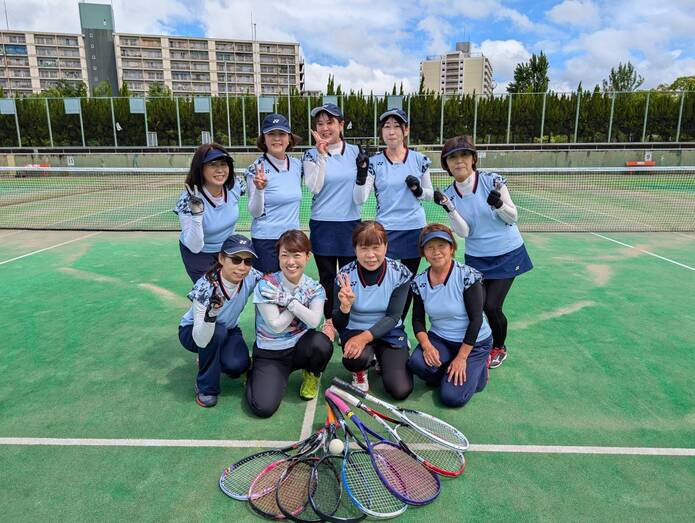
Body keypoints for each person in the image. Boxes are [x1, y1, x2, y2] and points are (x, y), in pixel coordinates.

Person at [433, 135, 533, 368]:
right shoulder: (449, 193)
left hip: (507, 253)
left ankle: (499, 347)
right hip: (477, 257)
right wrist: (449, 208)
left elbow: (512, 218)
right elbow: (465, 232)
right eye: (452, 157)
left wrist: (499, 205)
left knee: (491, 306)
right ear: (446, 164)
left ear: (473, 159)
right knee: (474, 306)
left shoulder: (493, 181)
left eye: (464, 155)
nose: (459, 161)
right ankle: (477, 344)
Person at [353, 108, 433, 318]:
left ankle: (398, 325)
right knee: (382, 281)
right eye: (387, 127)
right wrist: (361, 174)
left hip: (414, 229)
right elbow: (360, 198)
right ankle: (381, 324)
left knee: (407, 283)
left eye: (397, 126)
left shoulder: (420, 159)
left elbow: (429, 194)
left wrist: (418, 190)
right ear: (382, 132)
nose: (391, 131)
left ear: (406, 130)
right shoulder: (374, 163)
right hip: (386, 231)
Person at [246, 230, 333, 417]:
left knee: (322, 343)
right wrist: (297, 303)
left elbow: (313, 321)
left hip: (300, 348)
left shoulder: (315, 288)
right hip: (270, 353)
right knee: (263, 408)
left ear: (308, 256)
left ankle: (312, 373)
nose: (291, 262)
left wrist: (289, 301)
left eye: (297, 255)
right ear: (278, 257)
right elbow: (276, 326)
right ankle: (255, 373)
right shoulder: (267, 285)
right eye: (284, 255)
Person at [407, 224, 493, 407]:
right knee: (417, 364)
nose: (436, 252)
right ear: (424, 252)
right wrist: (427, 346)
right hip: (441, 339)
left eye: (442, 246)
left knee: (451, 398)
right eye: (430, 247)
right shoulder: (419, 282)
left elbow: (476, 320)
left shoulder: (467, 276)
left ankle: (479, 369)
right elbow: (417, 320)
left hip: (474, 343)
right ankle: (452, 369)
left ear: (451, 248)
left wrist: (461, 358)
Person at [303, 102, 367, 342]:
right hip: (323, 224)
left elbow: (361, 195)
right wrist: (321, 155)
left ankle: (348, 322)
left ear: (341, 125)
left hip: (350, 224)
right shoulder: (310, 154)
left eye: (330, 122)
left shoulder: (356, 152)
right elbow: (314, 187)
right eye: (320, 123)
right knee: (327, 278)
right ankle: (330, 321)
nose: (325, 128)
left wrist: (362, 174)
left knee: (350, 277)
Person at [178, 234, 261, 408]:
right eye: (236, 260)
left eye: (248, 261)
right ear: (222, 258)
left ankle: (210, 357)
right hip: (193, 331)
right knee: (217, 333)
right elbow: (200, 339)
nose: (242, 267)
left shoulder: (251, 276)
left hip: (229, 329)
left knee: (237, 366)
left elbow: (271, 282)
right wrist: (211, 314)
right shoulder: (205, 287)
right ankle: (206, 387)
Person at [333, 221, 413, 398]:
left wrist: (363, 339)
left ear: (386, 246)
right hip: (355, 329)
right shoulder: (344, 275)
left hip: (389, 330)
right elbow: (338, 323)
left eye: (376, 247)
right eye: (363, 248)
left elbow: (393, 317)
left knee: (400, 390)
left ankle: (381, 359)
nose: (370, 255)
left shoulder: (400, 273)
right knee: (355, 359)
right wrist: (345, 307)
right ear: (355, 249)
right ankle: (361, 371)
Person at [174, 144, 243, 282]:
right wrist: (197, 215)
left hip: (225, 249)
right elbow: (194, 247)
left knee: (232, 287)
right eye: (212, 164)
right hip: (199, 254)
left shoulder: (235, 185)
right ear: (200, 168)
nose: (220, 170)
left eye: (223, 164)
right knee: (212, 292)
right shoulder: (187, 200)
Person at [245, 113, 303, 274]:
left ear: (289, 138)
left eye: (281, 134)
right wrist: (259, 189)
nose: (277, 138)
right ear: (264, 139)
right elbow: (255, 212)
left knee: (290, 285)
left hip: (292, 240)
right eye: (271, 134)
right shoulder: (255, 169)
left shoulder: (297, 165)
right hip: (266, 241)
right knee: (269, 286)